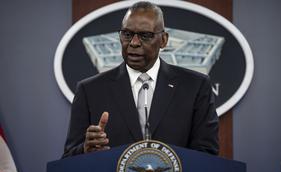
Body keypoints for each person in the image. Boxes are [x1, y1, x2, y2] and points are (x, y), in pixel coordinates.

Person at [62, 1, 219, 158]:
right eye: (127, 34)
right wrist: (85, 149)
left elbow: (207, 155)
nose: (134, 43)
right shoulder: (90, 90)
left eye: (145, 35)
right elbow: (68, 159)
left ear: (163, 40)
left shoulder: (195, 86)